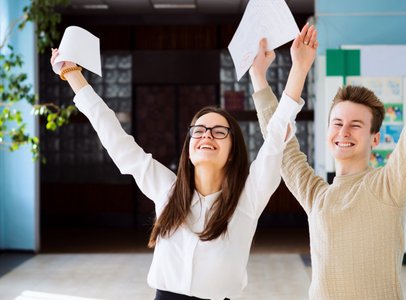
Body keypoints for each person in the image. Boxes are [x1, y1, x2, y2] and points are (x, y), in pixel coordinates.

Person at [49, 24, 317, 300]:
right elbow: (117, 140)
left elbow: (276, 138)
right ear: (188, 149)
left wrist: (299, 68)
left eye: (219, 132)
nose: (206, 136)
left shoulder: (247, 200)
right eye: (198, 131)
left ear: (233, 150)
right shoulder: (168, 191)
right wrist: (72, 74)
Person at [249, 21, 406, 299]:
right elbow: (280, 145)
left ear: (375, 139)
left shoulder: (388, 186)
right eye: (337, 123)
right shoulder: (317, 196)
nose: (343, 132)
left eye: (355, 125)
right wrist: (259, 77)